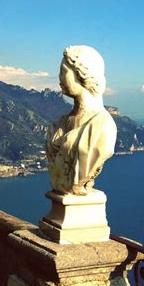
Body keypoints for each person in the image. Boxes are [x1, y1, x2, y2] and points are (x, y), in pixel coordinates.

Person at [46, 45, 117, 195]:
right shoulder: (61, 123)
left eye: (63, 72)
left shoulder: (102, 126)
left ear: (82, 74)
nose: (59, 78)